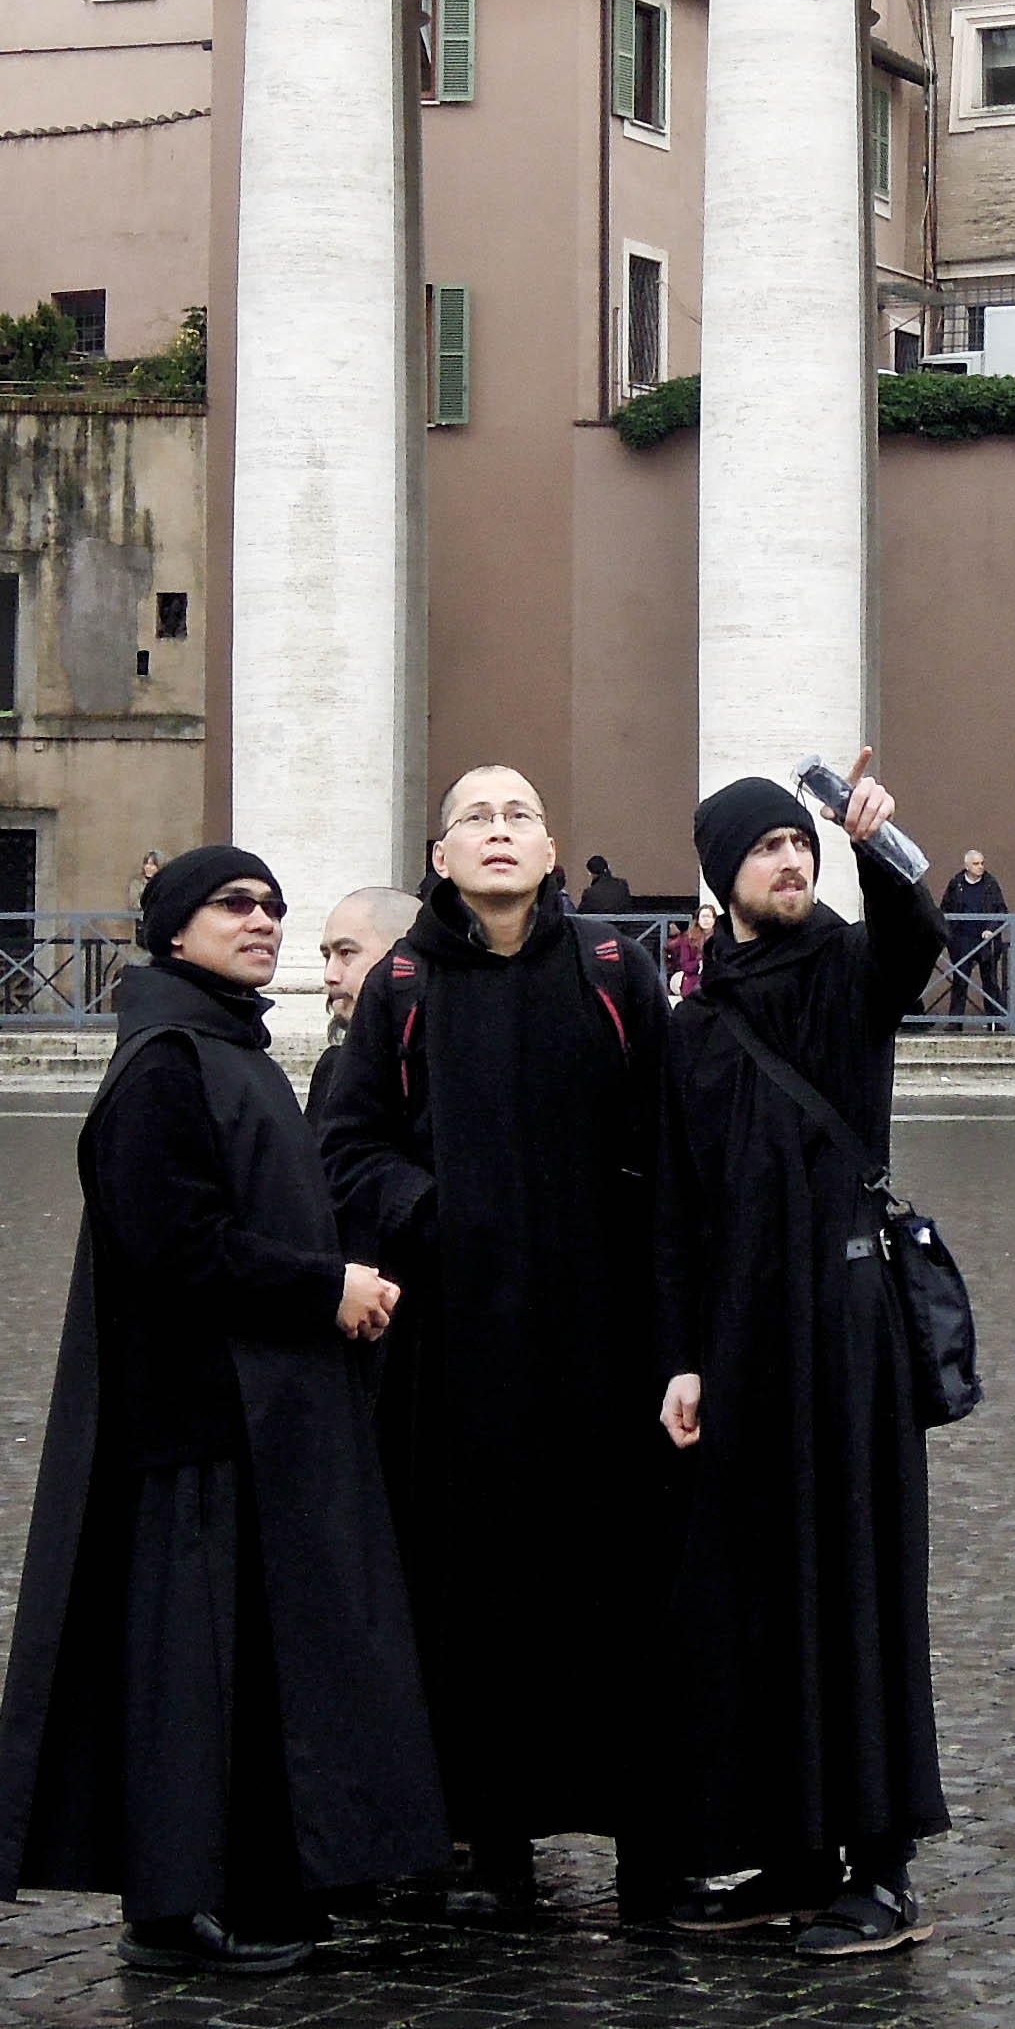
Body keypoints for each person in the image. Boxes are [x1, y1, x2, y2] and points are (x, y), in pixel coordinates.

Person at [0, 845, 445, 1977]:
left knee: (245, 1665)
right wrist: (323, 1286)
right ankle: (171, 1909)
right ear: (173, 929)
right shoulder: (166, 1062)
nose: (261, 921)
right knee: (188, 1673)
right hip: (188, 1421)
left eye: (272, 907)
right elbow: (176, 1246)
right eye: (234, 905)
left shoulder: (225, 1044)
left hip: (253, 1413)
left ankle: (252, 1883)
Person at [316, 769, 675, 1926]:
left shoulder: (617, 974)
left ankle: (647, 1834)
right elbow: (349, 1144)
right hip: (456, 1352)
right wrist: (437, 1211)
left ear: (552, 844)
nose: (501, 831)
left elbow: (673, 1145)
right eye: (477, 817)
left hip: (597, 1343)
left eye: (520, 814)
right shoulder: (406, 986)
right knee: (468, 1593)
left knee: (616, 1585)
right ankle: (490, 1837)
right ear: (442, 853)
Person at [654, 754, 949, 1960]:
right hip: (738, 1333)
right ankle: (788, 1851)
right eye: (767, 848)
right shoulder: (697, 1021)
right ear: (723, 875)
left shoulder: (842, 968)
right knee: (758, 1590)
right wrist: (682, 1357)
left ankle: (879, 1864)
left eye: (801, 846)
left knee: (859, 1578)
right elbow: (677, 1204)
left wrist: (878, 846)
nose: (790, 861)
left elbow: (913, 941)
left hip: (843, 1318)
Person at [303, 885, 425, 1112]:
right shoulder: (332, 1070)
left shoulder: (440, 1066)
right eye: (327, 956)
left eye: (346, 953)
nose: (329, 976)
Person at [938, 851, 1008, 1018]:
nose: (981, 867)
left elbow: (1001, 910)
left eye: (982, 863)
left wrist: (991, 929)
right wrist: (949, 934)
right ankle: (955, 1021)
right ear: (967, 866)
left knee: (990, 981)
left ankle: (995, 1020)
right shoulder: (956, 884)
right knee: (960, 981)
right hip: (962, 939)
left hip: (986, 939)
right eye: (976, 864)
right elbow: (945, 909)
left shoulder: (990, 884)